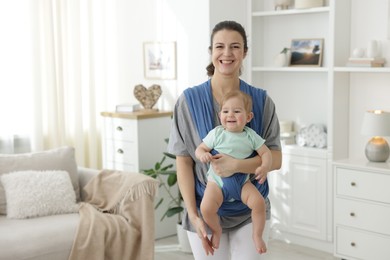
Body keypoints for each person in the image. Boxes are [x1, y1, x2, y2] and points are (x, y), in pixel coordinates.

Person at [167, 20, 282, 260]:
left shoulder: (261, 102)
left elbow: (276, 158)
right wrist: (194, 215)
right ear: (211, 52)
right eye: (219, 46)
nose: (227, 54)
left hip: (250, 208)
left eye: (235, 47)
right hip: (205, 205)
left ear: (245, 52)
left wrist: (237, 165)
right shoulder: (188, 102)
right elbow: (184, 162)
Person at [195, 90, 272, 254]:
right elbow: (200, 149)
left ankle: (257, 236)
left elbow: (266, 153)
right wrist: (203, 154)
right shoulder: (217, 133)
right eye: (225, 111)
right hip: (217, 182)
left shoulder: (251, 136)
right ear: (220, 114)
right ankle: (216, 230)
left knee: (259, 204)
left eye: (237, 111)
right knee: (206, 208)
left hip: (242, 182)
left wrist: (264, 167)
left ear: (249, 117)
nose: (231, 115)